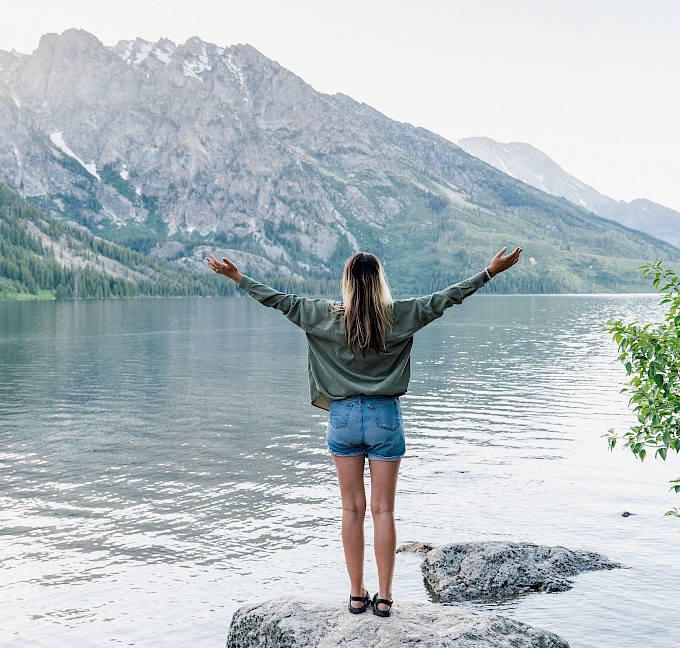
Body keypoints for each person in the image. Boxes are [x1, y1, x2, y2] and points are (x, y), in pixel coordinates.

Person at [206, 247, 522, 618]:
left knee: (351, 510)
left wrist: (237, 278)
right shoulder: (402, 315)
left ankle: (357, 595)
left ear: (347, 283)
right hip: (384, 417)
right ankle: (385, 598)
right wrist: (489, 272)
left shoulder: (322, 315)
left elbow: (278, 300)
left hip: (341, 418)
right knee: (383, 510)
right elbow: (446, 298)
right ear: (379, 282)